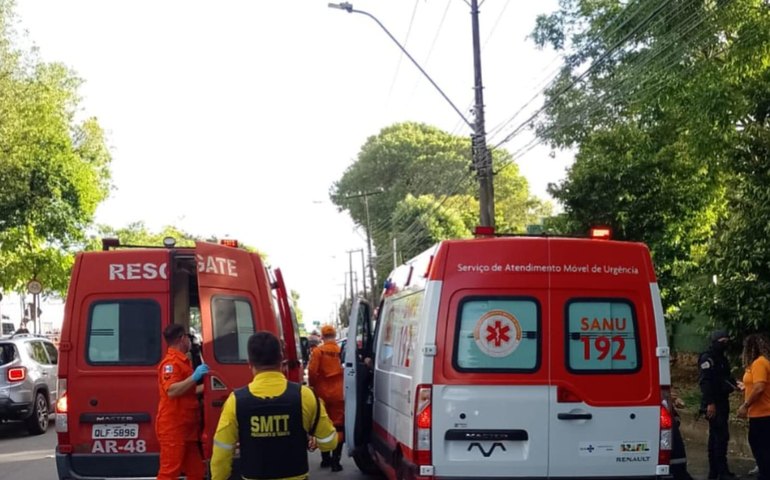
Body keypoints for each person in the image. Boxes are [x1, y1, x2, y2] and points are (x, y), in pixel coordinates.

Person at [210, 331, 338, 480]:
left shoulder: (236, 401)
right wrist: (315, 439)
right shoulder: (305, 396)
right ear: (281, 360)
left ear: (250, 364)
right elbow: (329, 443)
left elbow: (221, 452)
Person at [156, 323, 210, 480]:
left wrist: (209, 388)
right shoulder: (170, 364)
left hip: (187, 429)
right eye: (188, 337)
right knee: (169, 473)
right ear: (182, 338)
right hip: (174, 428)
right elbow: (172, 390)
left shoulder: (182, 362)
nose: (189, 341)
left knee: (197, 472)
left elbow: (188, 391)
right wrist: (194, 377)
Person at [699, 329, 740, 480]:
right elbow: (706, 382)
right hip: (713, 403)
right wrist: (710, 403)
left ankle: (716, 471)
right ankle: (720, 471)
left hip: (722, 401)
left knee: (717, 437)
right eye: (723, 342)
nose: (726, 344)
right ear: (716, 341)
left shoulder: (721, 358)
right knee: (720, 437)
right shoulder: (707, 359)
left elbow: (725, 377)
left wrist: (735, 384)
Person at [308, 324, 345, 472]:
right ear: (335, 336)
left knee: (323, 425)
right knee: (338, 426)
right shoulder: (342, 351)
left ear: (322, 337)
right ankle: (336, 461)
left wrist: (313, 387)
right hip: (339, 394)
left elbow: (312, 371)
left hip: (322, 393)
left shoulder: (318, 352)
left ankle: (325, 459)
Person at [737, 333, 770, 480]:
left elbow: (760, 388)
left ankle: (765, 474)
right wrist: (746, 386)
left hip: (763, 413)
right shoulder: (760, 363)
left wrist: (745, 405)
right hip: (759, 413)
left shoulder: (759, 363)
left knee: (760, 446)